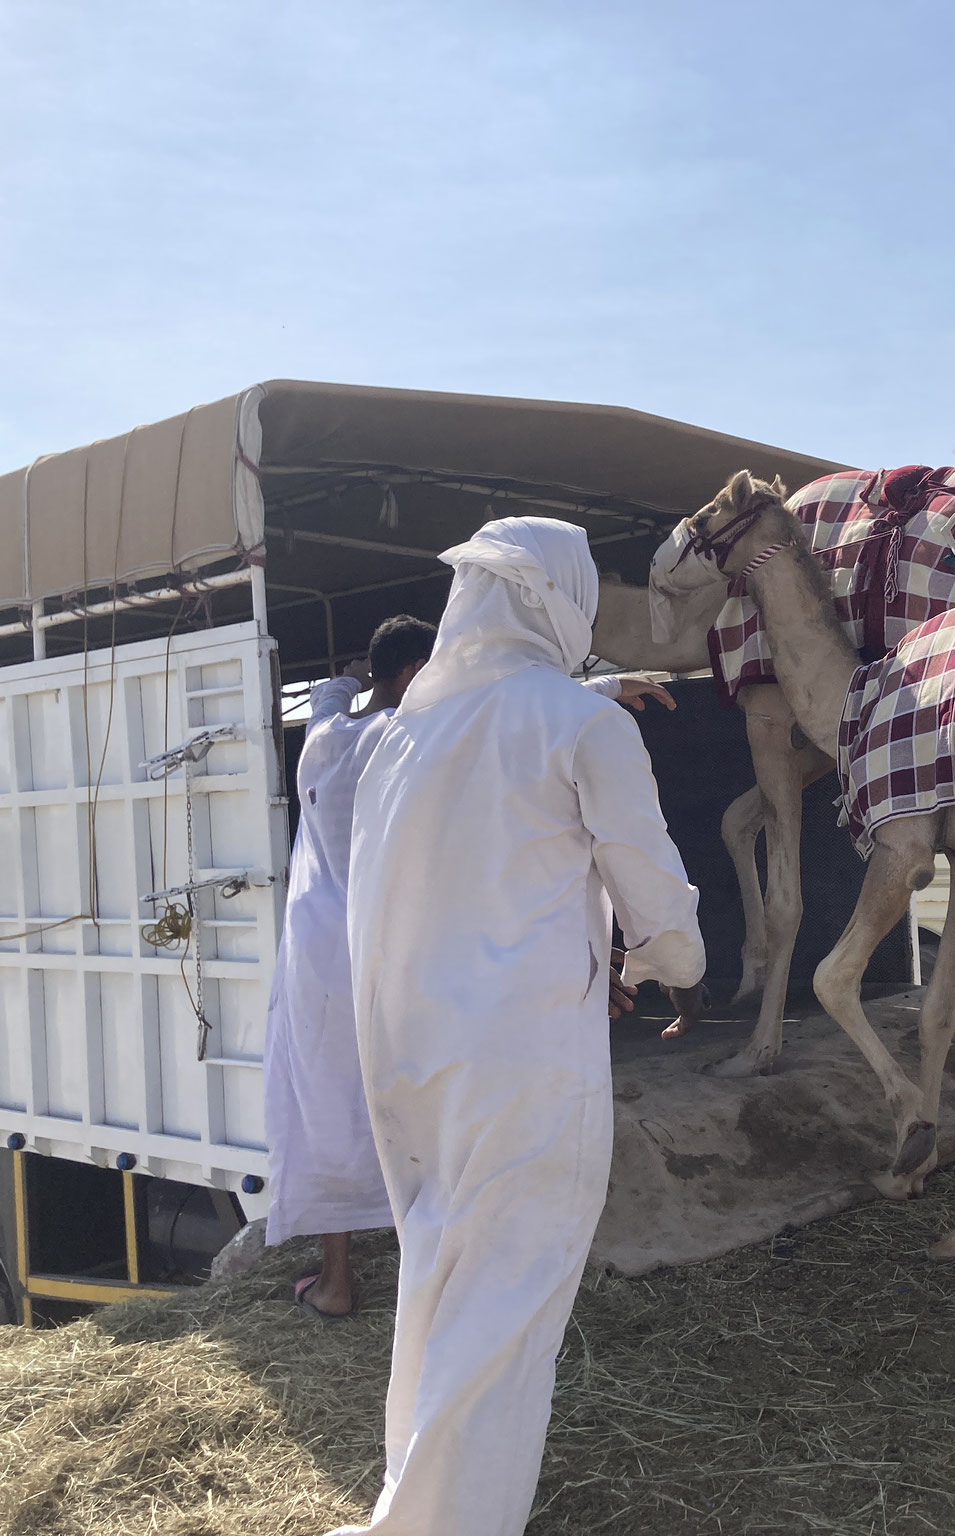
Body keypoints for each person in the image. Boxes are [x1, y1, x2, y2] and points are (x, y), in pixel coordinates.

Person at [337, 517, 706, 1535]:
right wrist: (672, 967)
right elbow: (650, 887)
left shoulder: (401, 736)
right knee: (506, 1300)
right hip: (522, 1064)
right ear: (556, 600)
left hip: (410, 1054)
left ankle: (412, 1502)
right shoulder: (578, 722)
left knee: (441, 1271)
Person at [264, 616, 437, 1320]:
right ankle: (425, 1277)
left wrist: (350, 678)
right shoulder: (403, 740)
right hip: (385, 948)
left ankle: (336, 1281)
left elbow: (330, 696)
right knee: (415, 1102)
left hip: (316, 954)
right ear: (413, 671)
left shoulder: (325, 739)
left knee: (332, 1108)